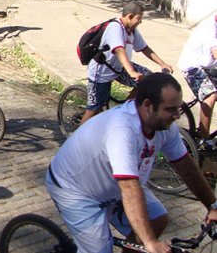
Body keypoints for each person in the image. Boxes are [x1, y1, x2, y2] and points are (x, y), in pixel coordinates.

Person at [47, 73, 217, 253]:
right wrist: (150, 242)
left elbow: (185, 165)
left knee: (157, 219)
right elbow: (129, 187)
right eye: (170, 109)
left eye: (178, 108)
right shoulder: (122, 130)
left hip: (112, 186)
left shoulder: (165, 127)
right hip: (75, 189)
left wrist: (212, 206)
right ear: (148, 105)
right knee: (100, 250)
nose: (177, 115)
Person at [81, 2, 174, 125]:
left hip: (120, 68)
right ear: (130, 16)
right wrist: (131, 72)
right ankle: (77, 137)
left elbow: (144, 48)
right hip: (102, 72)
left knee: (147, 79)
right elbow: (119, 50)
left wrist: (162, 63)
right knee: (94, 109)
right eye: (139, 19)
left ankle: (123, 113)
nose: (140, 22)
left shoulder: (132, 30)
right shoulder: (115, 27)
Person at [178, 14, 217, 146]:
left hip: (208, 66)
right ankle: (204, 138)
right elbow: (216, 52)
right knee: (210, 96)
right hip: (192, 66)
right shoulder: (210, 28)